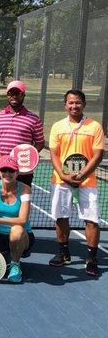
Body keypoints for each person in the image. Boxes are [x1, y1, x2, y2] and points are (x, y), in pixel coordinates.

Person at [48, 90, 105, 276]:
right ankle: (63, 254)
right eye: (71, 103)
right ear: (65, 105)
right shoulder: (57, 126)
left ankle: (91, 258)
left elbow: (98, 155)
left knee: (92, 219)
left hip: (87, 181)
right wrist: (64, 176)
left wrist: (82, 174)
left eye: (78, 102)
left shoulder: (95, 127)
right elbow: (54, 154)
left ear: (84, 104)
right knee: (61, 217)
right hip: (61, 180)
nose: (74, 106)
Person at [0, 155, 34, 283]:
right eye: (4, 170)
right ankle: (6, 254)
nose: (7, 173)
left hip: (22, 235)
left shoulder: (25, 189)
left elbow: (22, 220)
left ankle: (15, 265)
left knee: (17, 230)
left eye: (11, 170)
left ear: (17, 173)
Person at [0, 80, 44, 187]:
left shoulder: (34, 119)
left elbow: (40, 143)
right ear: (7, 95)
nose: (14, 96)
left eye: (17, 93)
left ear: (23, 95)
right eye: (11, 93)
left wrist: (30, 156)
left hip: (22, 171)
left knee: (21, 203)